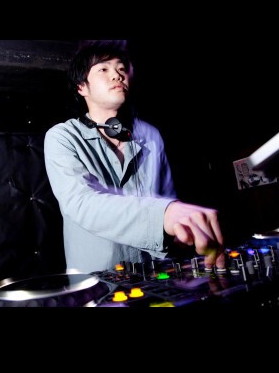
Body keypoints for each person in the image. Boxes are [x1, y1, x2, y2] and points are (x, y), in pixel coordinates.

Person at [44, 40, 225, 274]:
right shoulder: (62, 136)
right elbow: (80, 202)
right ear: (82, 87)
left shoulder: (150, 134)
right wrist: (163, 215)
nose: (117, 75)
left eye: (121, 69)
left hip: (154, 272)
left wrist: (182, 233)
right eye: (103, 69)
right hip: (96, 280)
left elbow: (166, 196)